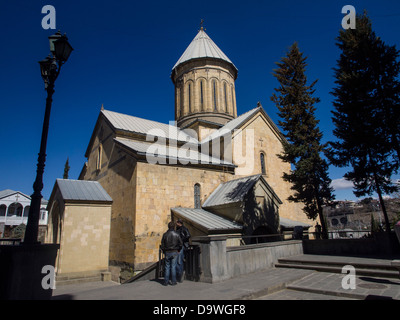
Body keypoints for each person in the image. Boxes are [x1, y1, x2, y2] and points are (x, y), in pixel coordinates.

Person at [161, 221, 182, 286]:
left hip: (167, 252)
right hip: (174, 251)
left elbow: (162, 244)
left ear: (168, 227)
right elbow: (181, 243)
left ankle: (166, 281)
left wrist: (164, 250)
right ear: (174, 227)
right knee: (173, 266)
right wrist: (178, 249)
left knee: (167, 267)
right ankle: (173, 281)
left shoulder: (165, 234)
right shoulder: (177, 234)